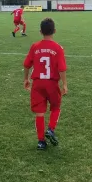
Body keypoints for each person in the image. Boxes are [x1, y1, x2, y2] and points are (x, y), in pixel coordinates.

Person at [23, 18, 68, 150]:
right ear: (54, 31)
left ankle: (41, 142)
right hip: (52, 84)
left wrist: (26, 79)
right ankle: (51, 129)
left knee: (40, 113)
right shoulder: (58, 48)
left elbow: (26, 64)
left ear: (40, 32)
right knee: (56, 107)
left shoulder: (35, 46)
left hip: (37, 85)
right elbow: (62, 68)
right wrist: (64, 84)